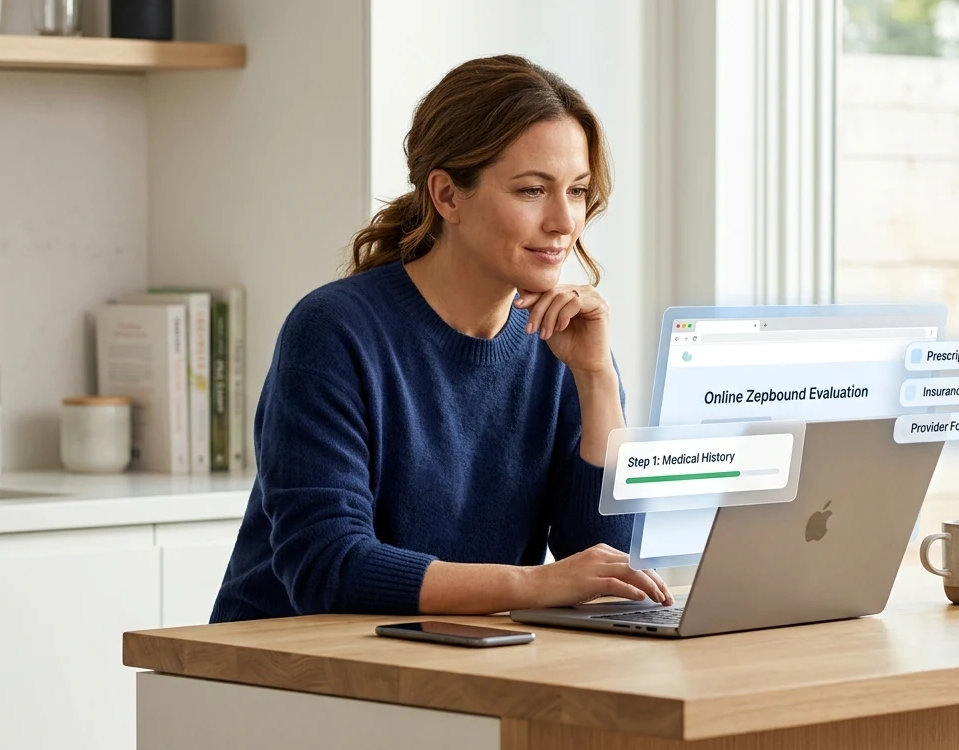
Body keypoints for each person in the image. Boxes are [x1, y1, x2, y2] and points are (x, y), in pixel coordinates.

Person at [210, 54, 673, 622]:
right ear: (447, 195)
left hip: (454, 659)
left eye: (577, 192)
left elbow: (605, 565)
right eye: (532, 191)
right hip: (283, 672)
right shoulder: (333, 331)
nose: (563, 221)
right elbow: (327, 566)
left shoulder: (561, 341)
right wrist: (534, 585)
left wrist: (597, 378)